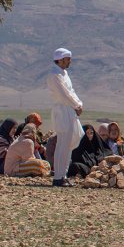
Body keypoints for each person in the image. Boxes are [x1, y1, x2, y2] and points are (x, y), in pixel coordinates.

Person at [47, 48, 84, 188]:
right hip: (62, 110)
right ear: (61, 60)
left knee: (72, 139)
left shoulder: (64, 73)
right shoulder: (54, 74)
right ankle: (58, 176)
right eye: (68, 59)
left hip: (69, 109)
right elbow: (63, 94)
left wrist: (78, 104)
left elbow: (71, 91)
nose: (70, 62)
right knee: (63, 143)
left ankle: (63, 174)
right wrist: (76, 105)